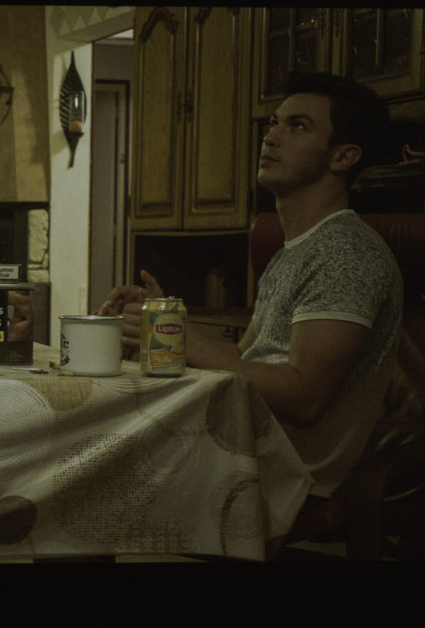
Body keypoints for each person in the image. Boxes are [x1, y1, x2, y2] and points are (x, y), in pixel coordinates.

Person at [100, 72, 403, 500]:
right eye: (274, 122)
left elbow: (304, 398)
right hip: (242, 446)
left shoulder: (345, 253)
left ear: (343, 157)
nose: (271, 136)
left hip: (284, 475)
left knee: (87, 465)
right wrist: (164, 315)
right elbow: (244, 358)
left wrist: (183, 343)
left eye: (298, 126)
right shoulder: (293, 252)